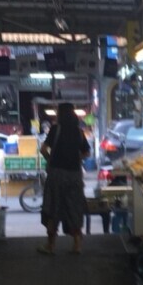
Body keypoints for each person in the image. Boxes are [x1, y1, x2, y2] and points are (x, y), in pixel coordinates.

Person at [38, 103, 91, 255]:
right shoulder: (79, 132)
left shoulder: (56, 129)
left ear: (60, 114)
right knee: (74, 209)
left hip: (56, 175)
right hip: (74, 175)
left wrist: (50, 160)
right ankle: (77, 245)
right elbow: (87, 152)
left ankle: (50, 245)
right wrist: (76, 158)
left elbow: (43, 149)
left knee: (53, 208)